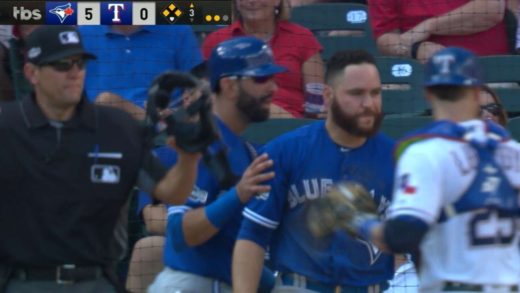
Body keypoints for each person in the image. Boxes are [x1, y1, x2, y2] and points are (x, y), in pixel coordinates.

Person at [0, 25, 202, 293]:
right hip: (23, 282)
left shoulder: (117, 128)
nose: (74, 73)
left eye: (80, 63)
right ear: (31, 73)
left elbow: (171, 193)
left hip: (96, 280)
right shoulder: (7, 127)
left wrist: (188, 159)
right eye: (61, 65)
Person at [350, 47, 520, 292]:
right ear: (475, 92)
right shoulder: (513, 151)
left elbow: (403, 235)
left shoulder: (425, 152)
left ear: (428, 93)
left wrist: (362, 222)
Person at [232, 49, 396, 292]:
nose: (369, 104)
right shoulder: (284, 152)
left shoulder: (399, 159)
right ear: (328, 95)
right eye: (357, 94)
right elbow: (253, 235)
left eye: (375, 93)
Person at [147, 36, 286, 293]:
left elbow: (232, 250)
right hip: (190, 285)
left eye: (272, 78)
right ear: (229, 86)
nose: (273, 89)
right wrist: (238, 194)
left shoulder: (245, 150)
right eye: (260, 79)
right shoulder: (200, 143)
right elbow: (179, 235)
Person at [202, 0, 325, 118]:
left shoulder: (302, 38)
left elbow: (316, 103)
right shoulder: (217, 40)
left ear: (277, 1)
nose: (251, 1)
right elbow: (205, 95)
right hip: (235, 120)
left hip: (291, 125)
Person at [79, 25, 203, 120]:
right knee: (106, 101)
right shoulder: (83, 35)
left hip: (166, 133)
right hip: (102, 128)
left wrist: (180, 113)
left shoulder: (178, 30)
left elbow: (199, 89)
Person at [368, 0, 509, 62]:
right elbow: (385, 38)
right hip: (424, 74)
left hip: (485, 70)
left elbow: (492, 8)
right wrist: (416, 49)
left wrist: (428, 27)